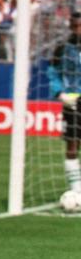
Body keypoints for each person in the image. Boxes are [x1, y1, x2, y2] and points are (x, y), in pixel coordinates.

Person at [48, 12, 81, 194]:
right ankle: (77, 191)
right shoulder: (62, 49)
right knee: (72, 144)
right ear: (71, 27)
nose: (79, 30)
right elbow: (53, 72)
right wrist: (60, 93)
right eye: (76, 27)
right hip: (72, 102)